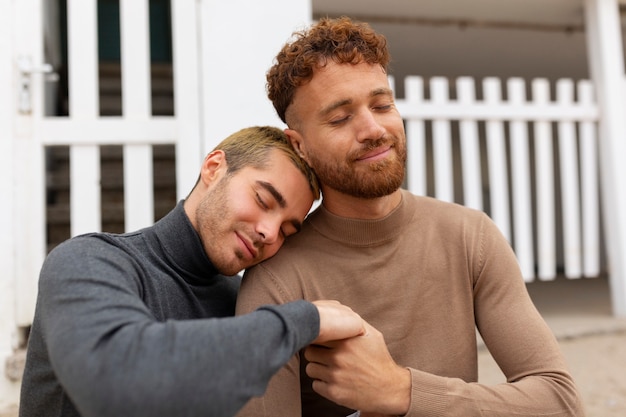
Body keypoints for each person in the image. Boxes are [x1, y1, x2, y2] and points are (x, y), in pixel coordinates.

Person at [235, 18, 585, 417]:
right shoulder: (277, 280)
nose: (373, 129)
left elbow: (560, 402)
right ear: (300, 147)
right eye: (340, 118)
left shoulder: (470, 236)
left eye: (382, 105)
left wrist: (401, 390)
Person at [19, 126, 366, 417]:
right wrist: (306, 319)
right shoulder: (89, 261)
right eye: (263, 200)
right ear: (214, 168)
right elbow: (114, 379)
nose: (270, 233)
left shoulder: (246, 303)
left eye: (288, 231)